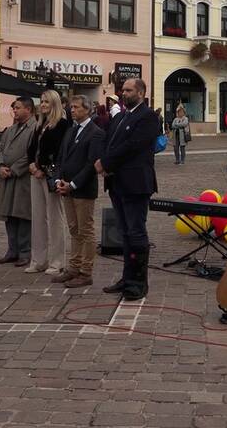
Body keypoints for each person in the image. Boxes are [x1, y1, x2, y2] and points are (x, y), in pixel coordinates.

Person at [95, 78, 161, 301]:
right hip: (117, 183)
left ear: (141, 92)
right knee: (123, 233)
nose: (124, 93)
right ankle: (126, 276)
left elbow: (133, 146)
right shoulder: (121, 116)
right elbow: (109, 141)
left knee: (136, 232)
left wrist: (107, 163)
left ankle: (138, 282)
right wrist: (103, 160)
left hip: (135, 183)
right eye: (123, 90)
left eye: (129, 90)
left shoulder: (149, 117)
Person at [54, 96, 105, 288]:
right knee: (74, 229)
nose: (72, 110)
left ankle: (86, 271)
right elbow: (61, 158)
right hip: (66, 188)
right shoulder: (70, 130)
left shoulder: (96, 133)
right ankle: (73, 267)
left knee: (86, 230)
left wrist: (73, 184)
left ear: (87, 109)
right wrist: (59, 180)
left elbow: (91, 163)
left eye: (75, 107)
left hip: (82, 190)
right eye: (71, 107)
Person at [25, 90, 69, 275]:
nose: (43, 105)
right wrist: (31, 165)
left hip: (51, 175)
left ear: (54, 104)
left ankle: (57, 261)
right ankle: (38, 259)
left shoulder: (62, 124)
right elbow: (32, 148)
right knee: (37, 218)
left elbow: (59, 151)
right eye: (41, 102)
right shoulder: (39, 124)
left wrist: (42, 167)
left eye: (47, 102)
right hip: (35, 173)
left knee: (55, 218)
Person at [0, 97, 37, 267]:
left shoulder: (34, 128)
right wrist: (0, 166)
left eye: (18, 107)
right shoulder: (10, 129)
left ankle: (25, 252)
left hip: (23, 178)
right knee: (9, 215)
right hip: (7, 178)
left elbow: (31, 153)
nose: (15, 111)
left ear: (28, 109)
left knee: (23, 214)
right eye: (14, 108)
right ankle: (12, 250)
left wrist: (14, 169)